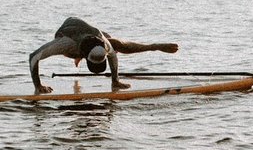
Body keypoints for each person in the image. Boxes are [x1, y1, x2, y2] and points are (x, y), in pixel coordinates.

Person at [29, 17, 179, 93]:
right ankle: (77, 57)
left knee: (119, 45)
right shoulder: (64, 44)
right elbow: (33, 57)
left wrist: (115, 81)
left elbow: (115, 55)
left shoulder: (105, 44)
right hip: (68, 28)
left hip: (92, 33)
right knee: (72, 52)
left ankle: (156, 46)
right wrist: (38, 85)